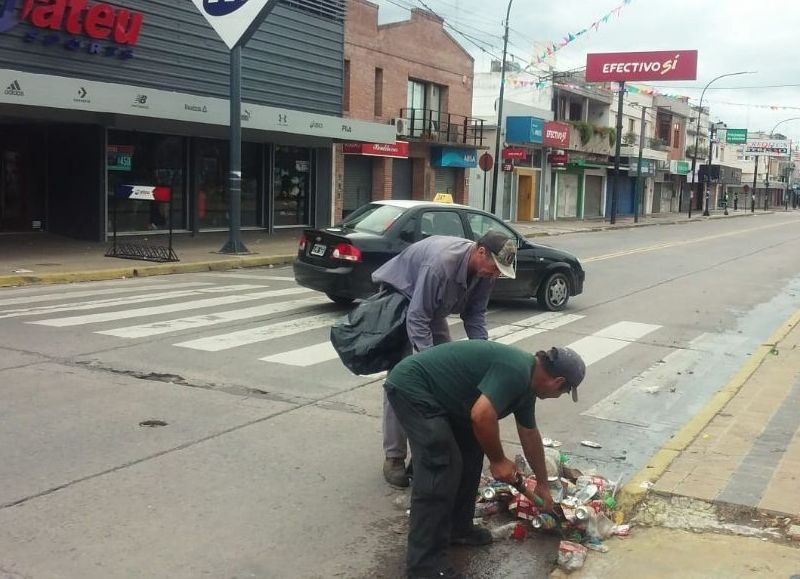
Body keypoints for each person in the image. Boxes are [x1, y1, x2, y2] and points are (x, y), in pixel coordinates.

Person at [384, 341, 586, 579]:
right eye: (562, 393)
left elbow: (529, 434)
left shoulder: (527, 386)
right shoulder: (516, 371)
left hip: (450, 400)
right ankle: (424, 565)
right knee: (441, 465)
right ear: (558, 382)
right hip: (415, 387)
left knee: (471, 455)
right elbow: (481, 415)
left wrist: (542, 483)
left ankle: (458, 528)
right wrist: (499, 460)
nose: (557, 396)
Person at [372, 230, 517, 487]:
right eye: (495, 267)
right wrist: (427, 366)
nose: (495, 274)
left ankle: (426, 451)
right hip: (403, 300)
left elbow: (474, 314)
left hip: (433, 309)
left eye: (500, 271)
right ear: (481, 251)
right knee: (402, 380)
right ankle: (394, 456)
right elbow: (417, 317)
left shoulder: (485, 272)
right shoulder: (441, 266)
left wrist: (481, 355)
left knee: (448, 380)